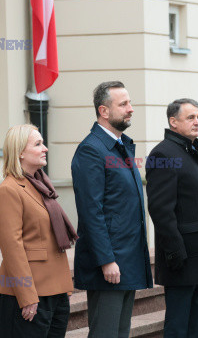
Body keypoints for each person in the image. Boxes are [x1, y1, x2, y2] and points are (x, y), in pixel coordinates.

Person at [71, 81, 152, 338]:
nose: (131, 109)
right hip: (110, 264)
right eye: (124, 104)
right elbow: (90, 212)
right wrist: (106, 260)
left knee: (120, 333)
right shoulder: (91, 150)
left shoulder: (120, 145)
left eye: (130, 102)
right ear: (104, 111)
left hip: (127, 258)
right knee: (105, 333)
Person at [146, 98, 198, 338]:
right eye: (190, 118)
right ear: (173, 122)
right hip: (183, 258)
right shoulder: (164, 153)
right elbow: (161, 211)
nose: (197, 122)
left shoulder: (192, 150)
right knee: (179, 326)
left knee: (195, 326)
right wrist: (174, 252)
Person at [0, 124, 77, 337]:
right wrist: (27, 296)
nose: (45, 148)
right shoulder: (8, 191)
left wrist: (64, 287)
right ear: (20, 152)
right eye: (38, 144)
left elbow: (51, 240)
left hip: (54, 292)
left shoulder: (42, 186)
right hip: (27, 295)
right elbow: (13, 248)